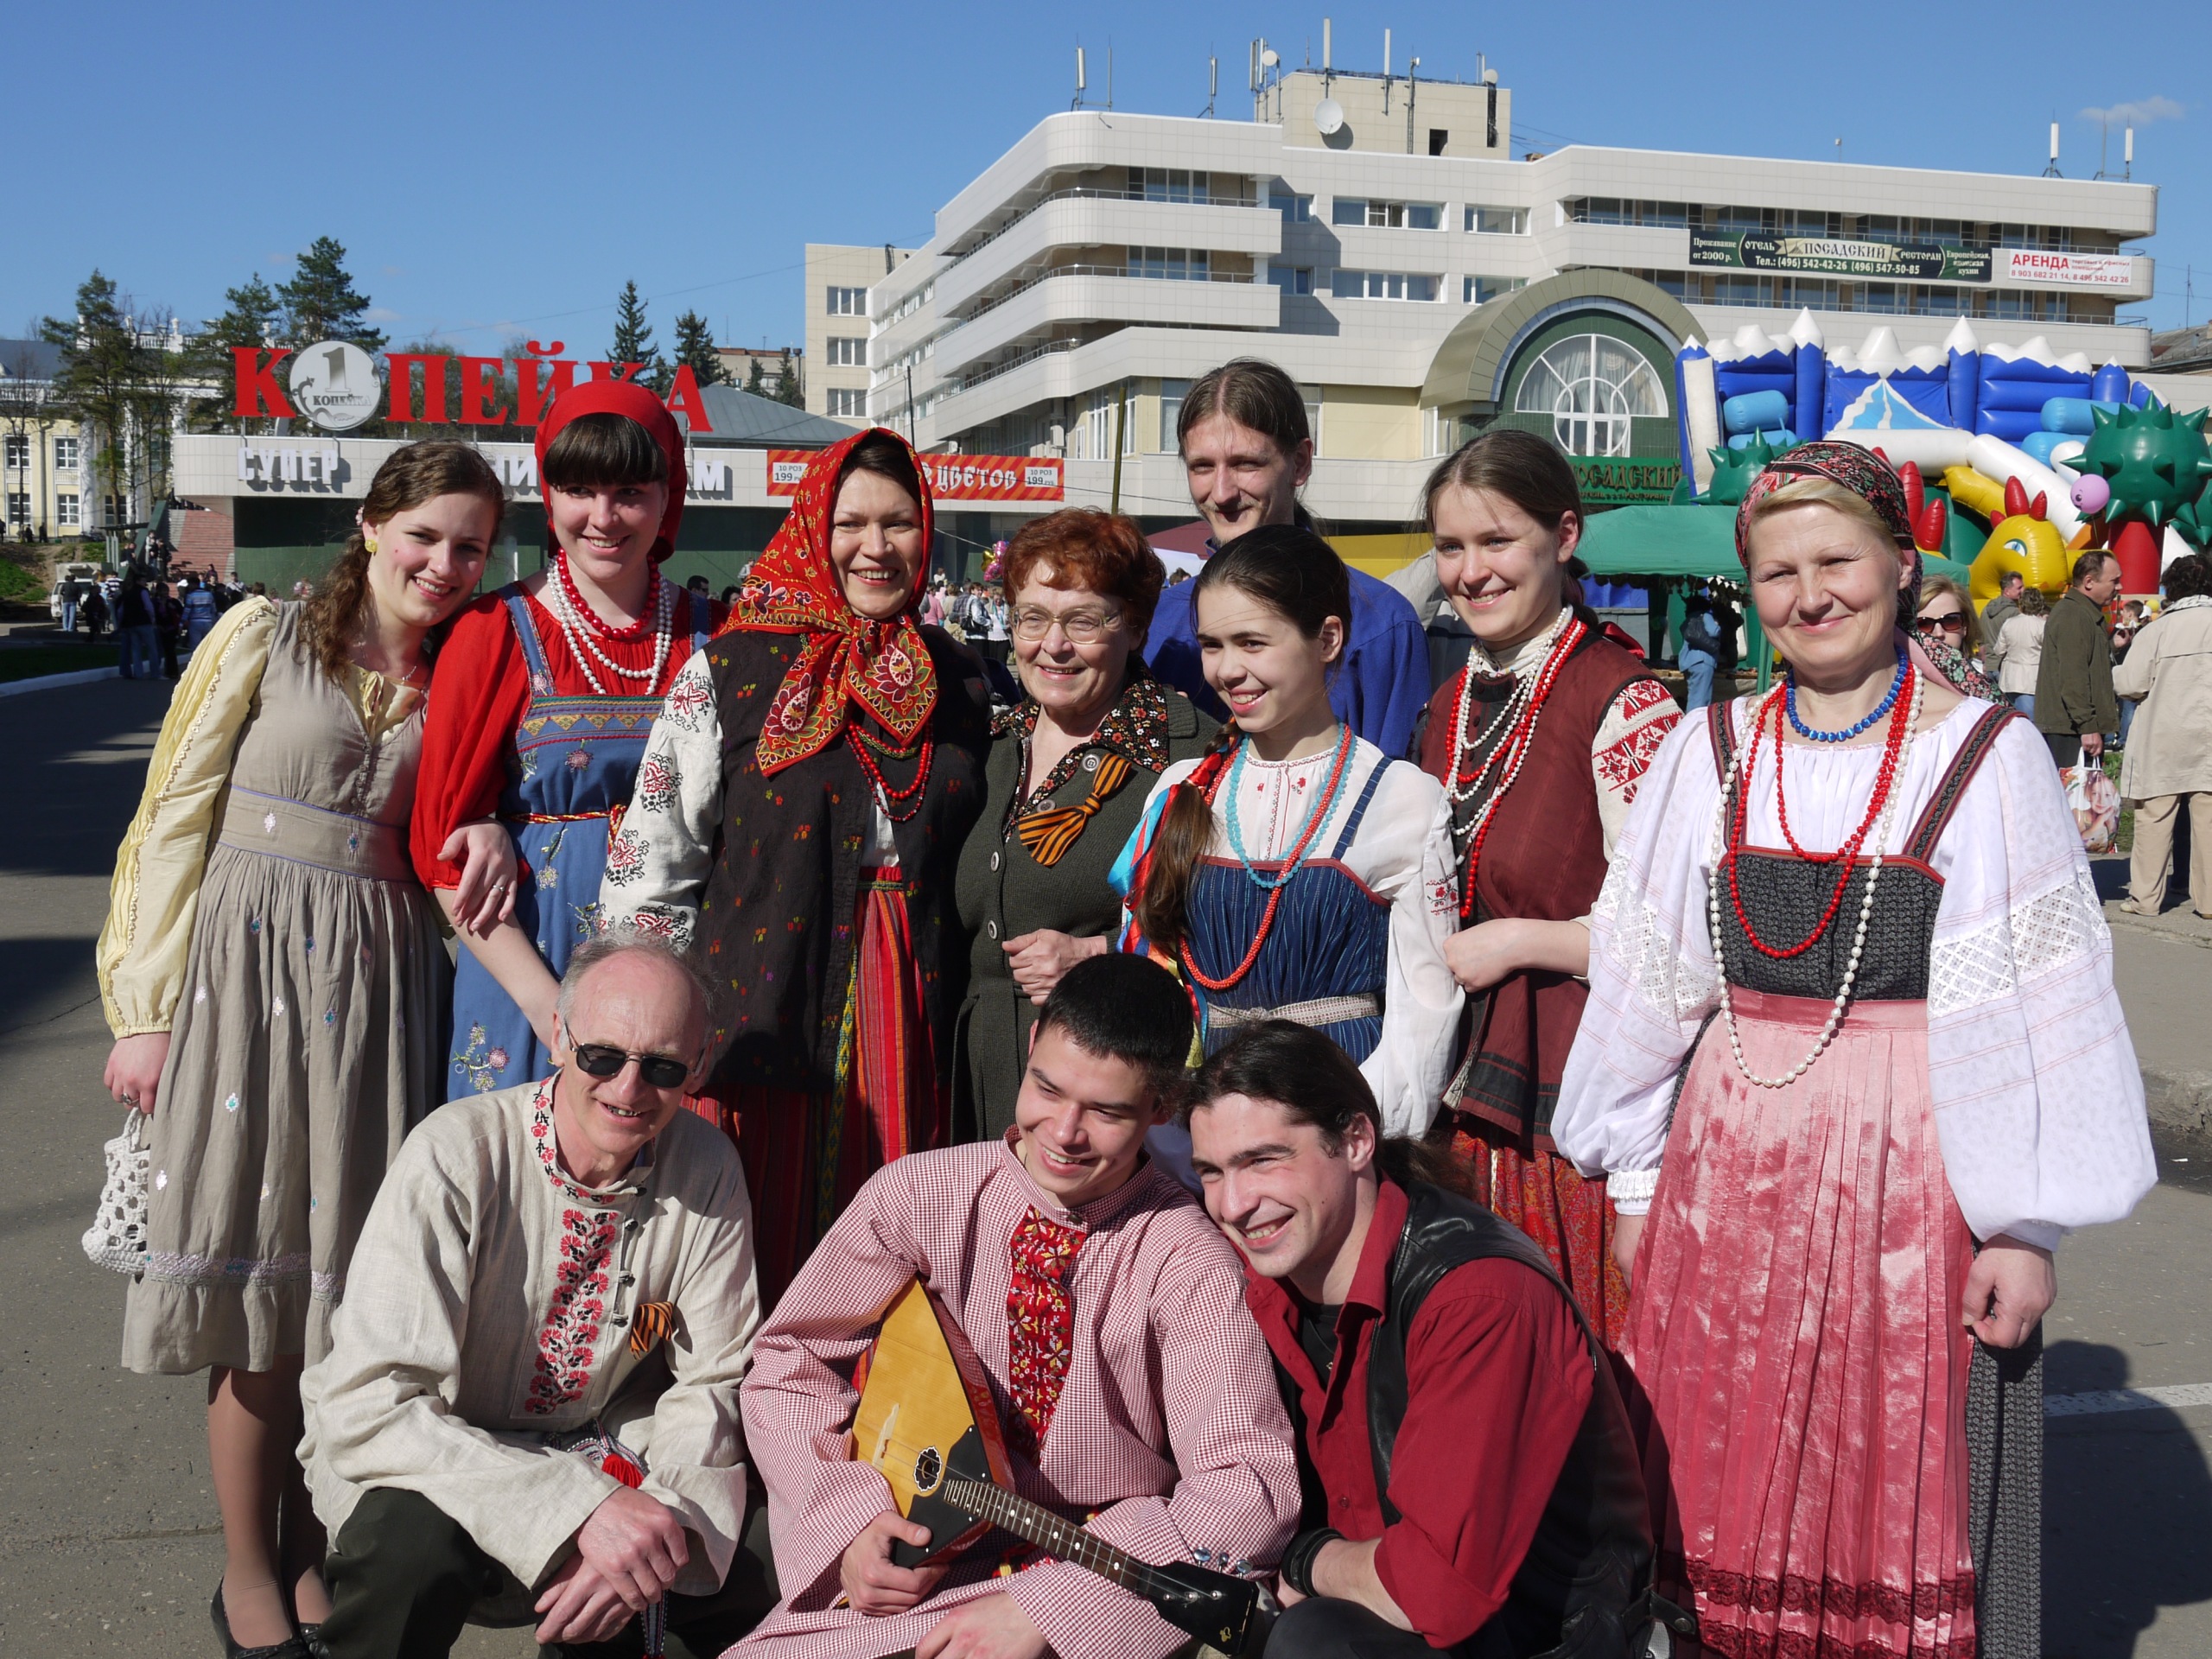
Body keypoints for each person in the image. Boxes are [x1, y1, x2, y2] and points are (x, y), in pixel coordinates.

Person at [1554, 442, 2156, 1659]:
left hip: (1907, 1181)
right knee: (1714, 1465)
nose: (1809, 595)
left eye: (1836, 561)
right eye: (1777, 574)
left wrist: (2025, 1228)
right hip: (1726, 1167)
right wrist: (1634, 1178)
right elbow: (1649, 977)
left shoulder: (1986, 755)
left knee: (1881, 1474)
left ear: (1901, 565)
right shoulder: (1706, 750)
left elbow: (2045, 1003)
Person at [95, 442, 514, 1656]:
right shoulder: (260, 636)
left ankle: (307, 1551)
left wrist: (487, 826)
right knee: (257, 1298)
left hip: (382, 989)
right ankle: (247, 1572)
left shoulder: (468, 670)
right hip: (245, 983)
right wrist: (144, 1010)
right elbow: (169, 818)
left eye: (470, 547)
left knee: (344, 1306)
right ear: (371, 524)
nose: (443, 564)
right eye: (424, 535)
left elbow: (462, 825)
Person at [735, 954, 1300, 1659]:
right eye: (1047, 1088)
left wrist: (1051, 1611)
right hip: (908, 1570)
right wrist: (849, 1525)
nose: (1063, 1132)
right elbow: (790, 1363)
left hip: (1095, 1590)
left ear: (1163, 1107)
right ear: (1031, 1045)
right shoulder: (919, 1195)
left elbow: (1247, 1488)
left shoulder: (1188, 1260)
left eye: (1106, 1111)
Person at [599, 428, 992, 1305]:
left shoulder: (960, 681)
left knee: (892, 1240)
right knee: (743, 1238)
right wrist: (643, 1023)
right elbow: (654, 857)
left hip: (910, 1002)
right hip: (759, 995)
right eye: (852, 523)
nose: (876, 548)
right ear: (815, 527)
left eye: (899, 523)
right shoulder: (732, 670)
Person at [300, 936, 769, 1659]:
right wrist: (575, 1508)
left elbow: (712, 1378)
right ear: (559, 1038)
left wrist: (652, 1523)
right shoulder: (456, 1152)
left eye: (663, 1067)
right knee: (408, 1547)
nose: (628, 1089)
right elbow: (375, 1403)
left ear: (698, 1068)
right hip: (438, 1452)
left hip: (606, 1445)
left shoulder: (708, 1167)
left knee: (762, 1552)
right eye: (602, 1056)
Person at [1186, 1022, 1658, 1659]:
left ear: (1355, 1141)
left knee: (1309, 1642)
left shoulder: (1479, 1300)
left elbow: (1431, 1593)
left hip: (1538, 1642)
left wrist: (1307, 1560)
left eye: (1263, 1160)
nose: (1234, 1204)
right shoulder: (1255, 1285)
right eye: (1211, 1172)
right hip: (1378, 1622)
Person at [1411, 432, 1679, 1344]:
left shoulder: (1626, 700)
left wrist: (1522, 940)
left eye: (1497, 541)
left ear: (1563, 537)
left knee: (1566, 1358)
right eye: (1451, 547)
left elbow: (1674, 939)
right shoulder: (1451, 702)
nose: (1470, 572)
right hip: (1455, 1086)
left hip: (1572, 1106)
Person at [413, 380, 716, 1099]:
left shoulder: (717, 636)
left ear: (667, 496)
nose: (603, 518)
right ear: (550, 497)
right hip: (531, 979)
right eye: (579, 489)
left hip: (674, 980)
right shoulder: (492, 633)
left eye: (630, 492)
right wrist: (551, 1010)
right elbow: (443, 855)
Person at [1119, 526, 1462, 1135]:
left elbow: (1425, 1016)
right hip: (1200, 1132)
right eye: (1212, 645)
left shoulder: (1400, 797)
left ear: (1328, 638)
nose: (1228, 670)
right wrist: (1176, 1145)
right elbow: (1147, 982)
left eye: (1252, 643)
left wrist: (1356, 1140)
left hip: (1340, 1122)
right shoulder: (1180, 791)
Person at [954, 508, 1214, 1140]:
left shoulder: (1188, 756)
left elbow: (1235, 936)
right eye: (1032, 618)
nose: (1054, 645)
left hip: (1101, 1112)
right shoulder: (991, 744)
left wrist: (1100, 954)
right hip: (977, 1081)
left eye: (1084, 620)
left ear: (1137, 626)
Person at [1146, 359, 1429, 756]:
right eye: (1203, 467)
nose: (1222, 492)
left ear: (1300, 463)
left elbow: (1396, 784)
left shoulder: (1381, 625)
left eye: (1246, 463)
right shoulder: (1160, 624)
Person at [2116, 552, 2212, 919]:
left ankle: (2145, 899)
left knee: (2154, 818)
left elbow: (2131, 684)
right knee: (2208, 821)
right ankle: (2209, 902)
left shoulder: (2157, 630)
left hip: (2163, 733)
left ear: (2172, 586)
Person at [2034, 548, 2123, 767]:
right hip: (2070, 731)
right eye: (2114, 581)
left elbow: (2088, 662)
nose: (2119, 587)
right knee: (2076, 788)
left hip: (2077, 727)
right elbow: (2073, 677)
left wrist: (2113, 646)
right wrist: (2087, 726)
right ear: (2089, 582)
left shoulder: (2084, 612)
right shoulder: (2073, 614)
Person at [1996, 587, 2048, 717]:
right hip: (2031, 680)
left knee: (2011, 719)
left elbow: (1999, 650)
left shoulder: (2009, 623)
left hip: (2009, 678)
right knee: (2030, 720)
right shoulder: (2042, 626)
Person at [1676, 590, 1721, 710]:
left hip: (1689, 662)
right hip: (1703, 661)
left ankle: (1691, 719)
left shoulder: (1688, 620)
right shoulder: (1705, 616)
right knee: (1701, 701)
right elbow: (1714, 631)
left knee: (1694, 698)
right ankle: (1695, 721)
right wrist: (1718, 625)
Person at [1980, 569, 2026, 678]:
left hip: (1989, 666)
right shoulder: (2013, 613)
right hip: (2005, 667)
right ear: (2007, 591)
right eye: (2019, 588)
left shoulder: (1985, 610)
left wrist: (1985, 663)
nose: (2023, 590)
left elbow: (1980, 640)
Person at [116, 571, 159, 679]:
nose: (145, 582)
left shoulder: (127, 593)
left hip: (131, 624)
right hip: (144, 622)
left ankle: (138, 674)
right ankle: (155, 674)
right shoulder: (143, 591)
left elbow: (121, 611)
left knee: (136, 650)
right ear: (138, 581)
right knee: (152, 649)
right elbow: (148, 606)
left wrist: (120, 623)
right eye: (143, 580)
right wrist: (152, 618)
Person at [181, 572, 221, 653]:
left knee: (195, 647)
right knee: (207, 646)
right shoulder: (209, 594)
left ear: (193, 584)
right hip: (208, 622)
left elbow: (187, 611)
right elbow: (214, 610)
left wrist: (181, 624)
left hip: (195, 623)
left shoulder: (190, 595)